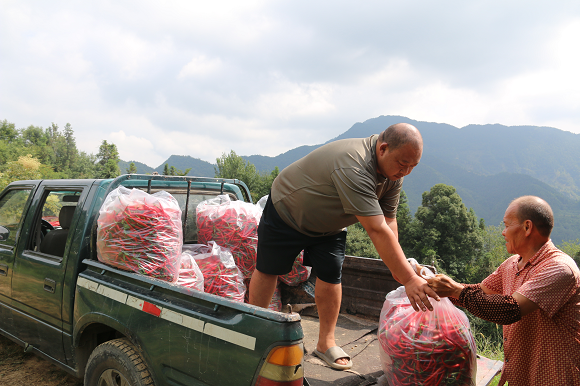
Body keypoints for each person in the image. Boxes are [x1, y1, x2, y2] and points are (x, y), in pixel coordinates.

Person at [249, 123, 439, 370]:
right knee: (269, 269)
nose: (407, 171)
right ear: (383, 149)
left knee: (331, 274)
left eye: (413, 166)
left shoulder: (393, 174)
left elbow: (388, 220)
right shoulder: (355, 164)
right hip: (287, 211)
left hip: (330, 225)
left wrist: (401, 268)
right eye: (403, 164)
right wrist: (409, 280)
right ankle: (254, 332)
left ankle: (326, 343)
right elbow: (376, 229)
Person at [427, 196, 580, 386]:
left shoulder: (560, 269)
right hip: (519, 375)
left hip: (554, 377)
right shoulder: (512, 264)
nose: (503, 232)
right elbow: (480, 293)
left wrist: (455, 290)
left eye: (507, 225)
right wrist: (437, 287)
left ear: (527, 227)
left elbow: (509, 310)